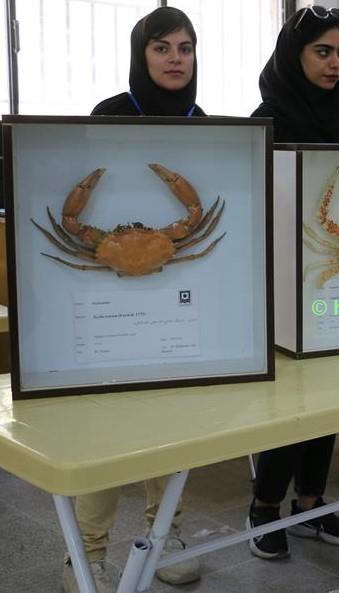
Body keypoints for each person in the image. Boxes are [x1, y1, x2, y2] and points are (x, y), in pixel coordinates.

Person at [63, 8, 204, 593]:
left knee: (172, 425)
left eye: (185, 48)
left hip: (178, 306)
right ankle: (85, 554)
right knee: (108, 429)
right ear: (140, 54)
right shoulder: (110, 114)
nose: (175, 58)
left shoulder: (205, 124)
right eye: (161, 47)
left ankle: (165, 532)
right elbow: (75, 208)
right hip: (109, 308)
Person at [247, 5, 339, 560]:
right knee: (290, 404)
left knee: (330, 398)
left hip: (334, 278)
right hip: (282, 280)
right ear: (295, 55)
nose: (334, 63)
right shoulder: (267, 118)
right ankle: (263, 509)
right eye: (323, 51)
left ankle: (310, 506)